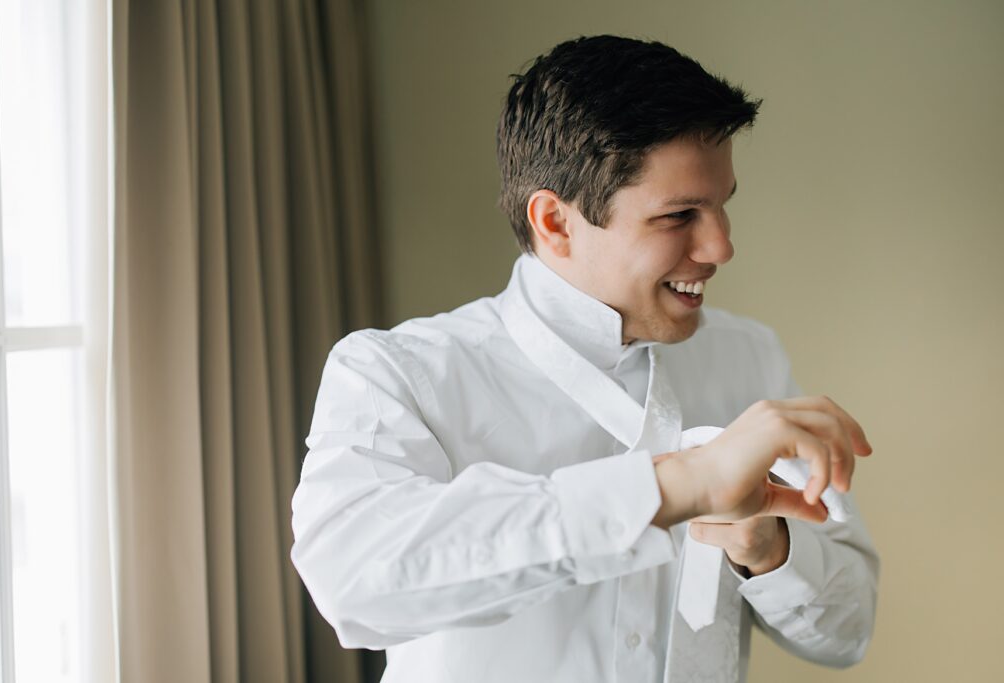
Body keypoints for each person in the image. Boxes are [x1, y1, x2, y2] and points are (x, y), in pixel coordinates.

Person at [291, 35, 879, 683]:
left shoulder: (749, 357)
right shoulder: (397, 373)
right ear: (556, 222)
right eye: (680, 214)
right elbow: (355, 582)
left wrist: (765, 546)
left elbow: (848, 632)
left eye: (721, 204)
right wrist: (678, 485)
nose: (720, 247)